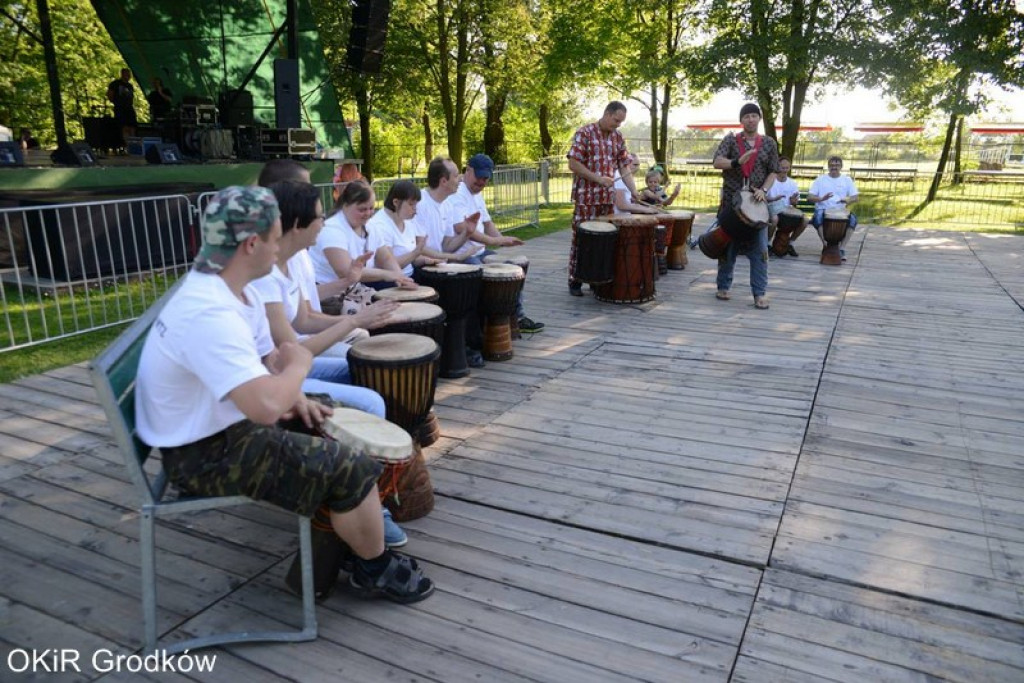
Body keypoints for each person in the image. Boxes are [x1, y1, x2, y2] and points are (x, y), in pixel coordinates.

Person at [134, 185, 435, 603]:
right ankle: (374, 566)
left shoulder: (230, 288)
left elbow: (265, 364)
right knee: (349, 465)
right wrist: (299, 366)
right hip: (202, 454)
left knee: (341, 423)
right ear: (251, 244)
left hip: (221, 425)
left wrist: (296, 392)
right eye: (276, 238)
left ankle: (352, 542)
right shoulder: (209, 311)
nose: (281, 248)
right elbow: (265, 404)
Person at [445, 153, 544, 334]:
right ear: (468, 170)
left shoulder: (477, 195)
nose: (482, 182)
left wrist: (504, 241)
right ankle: (484, 327)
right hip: (461, 255)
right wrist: (495, 241)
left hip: (479, 251)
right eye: (479, 177)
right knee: (485, 276)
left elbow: (487, 223)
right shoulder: (457, 194)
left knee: (511, 271)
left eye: (486, 178)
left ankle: (516, 317)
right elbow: (461, 228)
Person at [711, 102, 779, 310]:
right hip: (732, 203)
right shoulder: (731, 140)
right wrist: (736, 162)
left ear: (759, 119)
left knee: (760, 250)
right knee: (728, 247)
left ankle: (759, 293)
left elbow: (773, 171)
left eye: (754, 116)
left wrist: (764, 190)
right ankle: (723, 286)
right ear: (741, 120)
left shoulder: (768, 143)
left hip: (757, 203)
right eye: (746, 116)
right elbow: (717, 162)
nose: (750, 119)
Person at [566, 101, 637, 296]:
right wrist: (598, 179)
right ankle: (575, 280)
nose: (618, 125)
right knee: (582, 239)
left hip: (607, 199)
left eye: (621, 122)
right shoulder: (585, 133)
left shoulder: (618, 137)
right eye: (616, 120)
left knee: (604, 241)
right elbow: (573, 163)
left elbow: (624, 166)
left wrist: (633, 190)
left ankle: (596, 279)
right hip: (586, 198)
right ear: (607, 113)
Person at [309, 181, 417, 292]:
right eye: (362, 209)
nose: (368, 213)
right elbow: (346, 271)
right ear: (345, 205)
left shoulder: (371, 226)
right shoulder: (332, 229)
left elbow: (386, 258)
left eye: (371, 208)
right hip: (327, 293)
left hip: (353, 289)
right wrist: (387, 275)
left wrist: (401, 278)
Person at [411, 157, 483, 262]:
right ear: (444, 181)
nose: (461, 179)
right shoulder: (420, 203)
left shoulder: (447, 204)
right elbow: (418, 248)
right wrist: (455, 257)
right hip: (422, 265)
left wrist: (467, 233)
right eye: (456, 176)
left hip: (439, 263)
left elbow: (446, 246)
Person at [366, 181, 443, 277]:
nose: (415, 209)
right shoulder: (380, 225)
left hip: (410, 274)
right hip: (391, 280)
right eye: (411, 204)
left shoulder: (407, 220)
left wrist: (426, 260)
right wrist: (415, 253)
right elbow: (388, 265)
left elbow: (411, 259)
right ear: (396, 202)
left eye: (416, 205)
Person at [808, 155, 859, 261]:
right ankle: (825, 244)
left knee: (853, 219)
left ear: (841, 166)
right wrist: (821, 198)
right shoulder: (820, 179)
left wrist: (848, 200)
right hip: (823, 209)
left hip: (841, 211)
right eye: (831, 165)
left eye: (837, 165)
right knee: (817, 218)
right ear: (828, 166)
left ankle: (842, 248)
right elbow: (810, 197)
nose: (834, 167)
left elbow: (855, 197)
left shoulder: (847, 180)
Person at [765, 157, 808, 256]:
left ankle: (790, 243)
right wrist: (773, 199)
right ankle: (767, 243)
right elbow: (764, 197)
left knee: (805, 220)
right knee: (774, 219)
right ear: (777, 167)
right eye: (782, 168)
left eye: (787, 168)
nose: (784, 170)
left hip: (787, 211)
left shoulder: (792, 183)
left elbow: (794, 203)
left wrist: (794, 201)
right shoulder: (771, 180)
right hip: (772, 208)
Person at [106, 68, 137, 145]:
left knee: (132, 126)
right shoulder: (115, 84)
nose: (128, 76)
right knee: (124, 127)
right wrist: (116, 102)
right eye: (127, 74)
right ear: (122, 74)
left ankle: (133, 144)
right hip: (120, 108)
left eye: (129, 74)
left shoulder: (130, 86)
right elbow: (110, 95)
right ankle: (127, 144)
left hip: (129, 108)